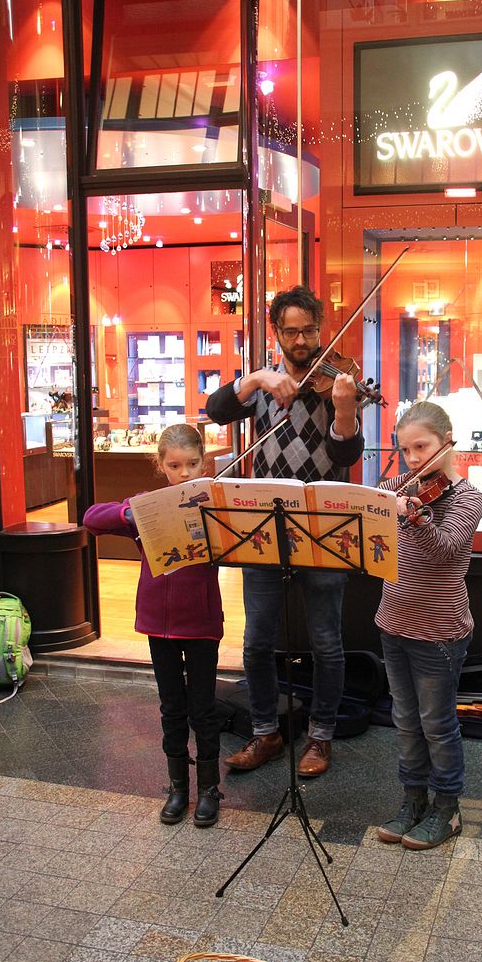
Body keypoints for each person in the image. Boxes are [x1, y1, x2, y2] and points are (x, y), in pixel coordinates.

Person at [206, 285, 363, 777]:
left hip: (322, 521)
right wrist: (254, 380)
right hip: (265, 526)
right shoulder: (266, 386)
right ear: (277, 332)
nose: (301, 340)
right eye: (292, 331)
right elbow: (216, 410)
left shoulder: (338, 379)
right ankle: (263, 733)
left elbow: (345, 457)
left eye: (310, 331)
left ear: (321, 329)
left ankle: (321, 737)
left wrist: (344, 410)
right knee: (255, 641)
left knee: (325, 641)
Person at [83, 424, 224, 828]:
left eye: (193, 464)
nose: (184, 473)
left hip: (201, 622)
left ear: (205, 460)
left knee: (203, 707)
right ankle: (178, 786)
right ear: (160, 465)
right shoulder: (145, 504)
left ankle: (210, 788)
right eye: (174, 466)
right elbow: (93, 518)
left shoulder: (212, 505)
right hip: (158, 624)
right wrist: (132, 511)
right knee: (171, 707)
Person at [375, 400, 482, 850]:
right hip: (393, 621)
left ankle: (447, 809)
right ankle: (412, 801)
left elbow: (445, 548)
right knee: (405, 721)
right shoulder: (403, 484)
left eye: (422, 446)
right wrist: (378, 505)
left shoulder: (468, 497)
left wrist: (412, 515)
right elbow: (374, 511)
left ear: (447, 442)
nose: (414, 458)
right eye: (406, 450)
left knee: (437, 725)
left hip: (439, 632)